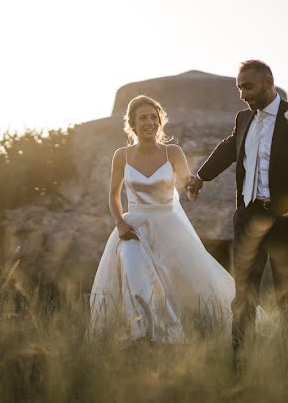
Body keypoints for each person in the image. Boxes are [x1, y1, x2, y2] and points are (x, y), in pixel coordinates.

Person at [187, 60, 288, 365]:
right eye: (239, 87)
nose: (242, 94)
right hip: (249, 220)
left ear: (268, 83)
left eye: (247, 87)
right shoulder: (243, 119)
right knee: (243, 296)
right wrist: (201, 176)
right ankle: (239, 365)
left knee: (287, 297)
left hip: (286, 221)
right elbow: (229, 149)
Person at [89, 95, 255, 342]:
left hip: (169, 225)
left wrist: (193, 187)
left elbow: (187, 182)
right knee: (136, 276)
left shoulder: (172, 152)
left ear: (160, 121)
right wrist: (120, 223)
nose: (149, 122)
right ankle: (141, 336)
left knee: (183, 282)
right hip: (133, 227)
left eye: (154, 117)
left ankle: (174, 335)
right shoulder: (121, 156)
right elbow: (113, 195)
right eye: (143, 117)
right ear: (132, 123)